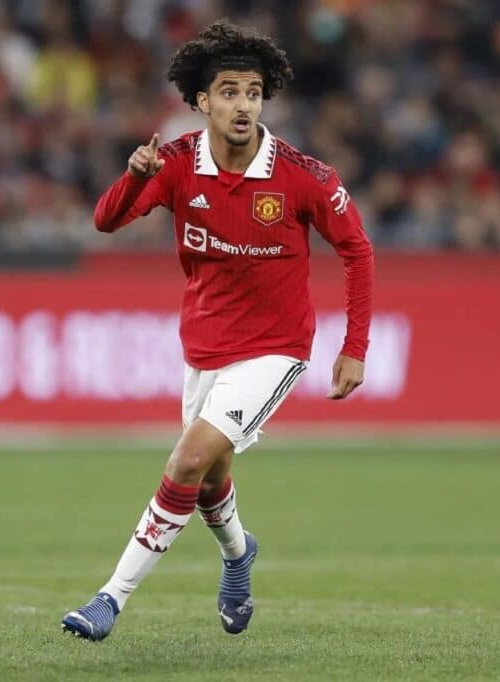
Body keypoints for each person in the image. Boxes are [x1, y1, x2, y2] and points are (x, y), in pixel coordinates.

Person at [61, 21, 374, 641]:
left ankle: (109, 599)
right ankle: (238, 553)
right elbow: (105, 221)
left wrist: (354, 348)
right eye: (229, 92)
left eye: (253, 93)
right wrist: (135, 175)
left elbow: (357, 251)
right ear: (203, 100)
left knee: (187, 460)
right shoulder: (176, 163)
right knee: (208, 479)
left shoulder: (303, 176)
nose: (243, 105)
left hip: (275, 347)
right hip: (204, 346)